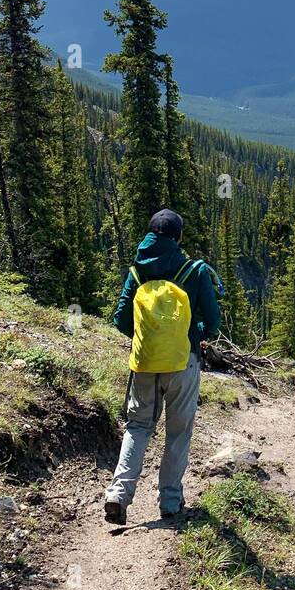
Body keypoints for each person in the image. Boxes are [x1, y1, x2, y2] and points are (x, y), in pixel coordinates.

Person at [104, 209, 222, 525]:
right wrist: (194, 332)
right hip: (183, 363)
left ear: (149, 235)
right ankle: (170, 502)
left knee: (138, 426)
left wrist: (148, 337)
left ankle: (118, 494)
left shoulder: (136, 272)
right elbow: (213, 322)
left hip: (144, 364)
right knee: (178, 432)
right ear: (178, 237)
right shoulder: (193, 271)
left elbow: (120, 319)